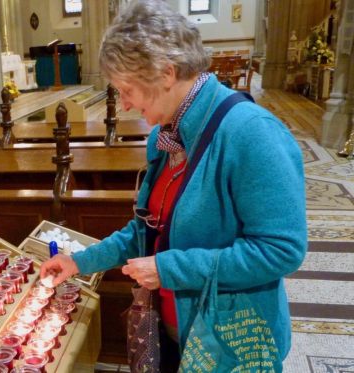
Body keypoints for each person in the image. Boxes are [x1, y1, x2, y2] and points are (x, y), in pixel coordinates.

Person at [39, 0, 307, 371]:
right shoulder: (167, 135)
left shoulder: (251, 133)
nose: (127, 104)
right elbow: (147, 229)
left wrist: (170, 269)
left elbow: (281, 250)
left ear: (166, 73)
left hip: (230, 340)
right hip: (176, 329)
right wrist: (78, 261)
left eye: (127, 89)